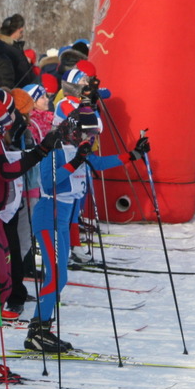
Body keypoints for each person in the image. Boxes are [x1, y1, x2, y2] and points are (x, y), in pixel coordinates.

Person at [25, 100, 145, 352]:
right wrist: (75, 162)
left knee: (60, 277)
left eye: (94, 135)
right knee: (56, 275)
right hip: (49, 215)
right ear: (76, 131)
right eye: (90, 134)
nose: (92, 140)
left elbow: (98, 164)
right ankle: (37, 332)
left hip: (63, 220)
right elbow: (48, 183)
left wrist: (132, 154)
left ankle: (42, 328)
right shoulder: (56, 148)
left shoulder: (79, 149)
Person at [0, 88, 64, 381]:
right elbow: (6, 170)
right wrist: (41, 152)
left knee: (1, 287)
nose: (13, 119)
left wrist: (38, 149)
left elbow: (6, 159)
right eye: (9, 113)